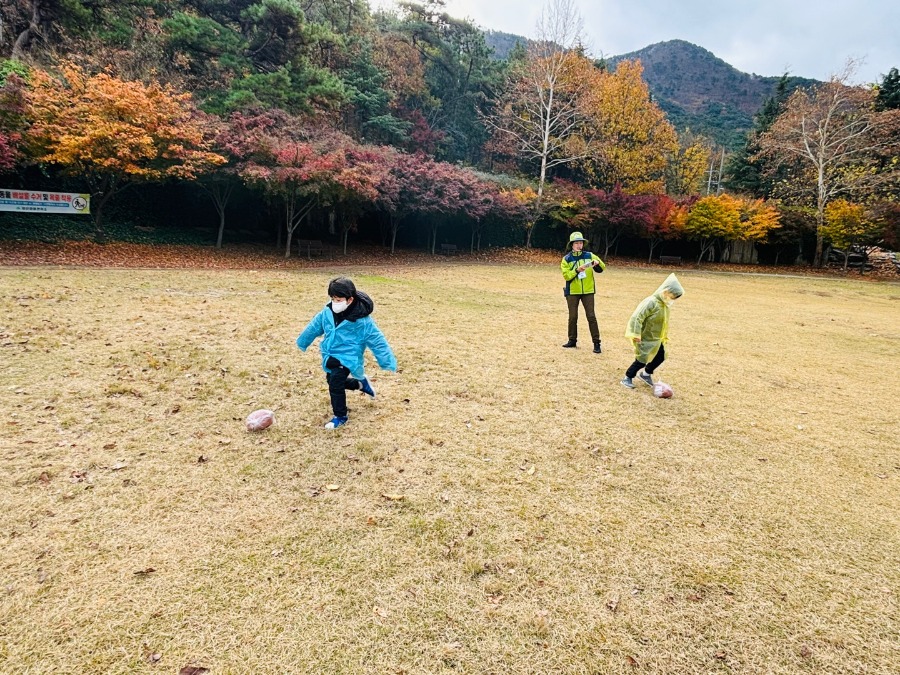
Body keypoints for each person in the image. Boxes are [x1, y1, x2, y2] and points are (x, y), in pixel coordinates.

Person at [297, 277, 397, 429]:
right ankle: (360, 383)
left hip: (348, 357)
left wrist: (387, 361)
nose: (335, 302)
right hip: (330, 355)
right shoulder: (327, 312)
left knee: (335, 382)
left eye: (338, 299)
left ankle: (340, 416)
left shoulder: (363, 321)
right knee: (331, 380)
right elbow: (314, 326)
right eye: (332, 299)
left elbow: (377, 341)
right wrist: (303, 341)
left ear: (350, 299)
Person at [621, 273, 684, 389]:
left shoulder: (664, 305)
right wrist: (636, 333)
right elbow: (637, 317)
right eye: (673, 295)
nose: (673, 298)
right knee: (641, 359)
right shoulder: (651, 302)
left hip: (656, 338)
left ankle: (646, 374)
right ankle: (627, 377)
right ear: (666, 291)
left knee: (660, 356)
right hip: (645, 336)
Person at [560, 231, 606, 353]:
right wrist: (577, 270)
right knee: (573, 317)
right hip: (572, 291)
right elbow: (567, 276)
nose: (579, 245)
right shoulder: (566, 259)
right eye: (576, 243)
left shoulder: (590, 255)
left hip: (588, 290)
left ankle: (597, 343)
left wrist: (597, 264)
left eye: (581, 242)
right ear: (572, 245)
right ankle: (572, 340)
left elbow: (602, 267)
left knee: (591, 316)